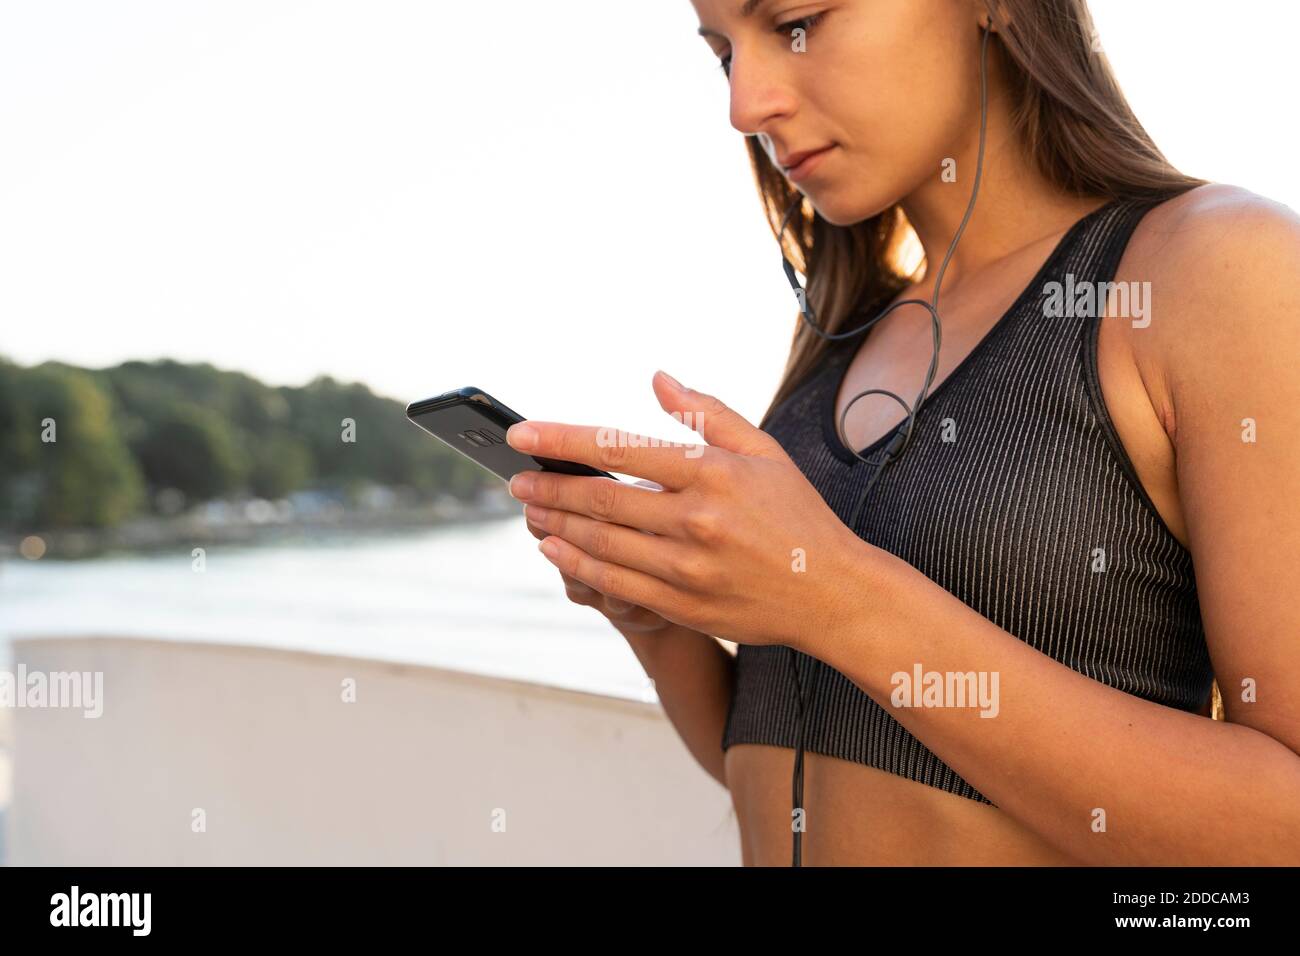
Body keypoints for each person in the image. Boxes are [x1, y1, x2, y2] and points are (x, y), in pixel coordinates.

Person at [508, 0, 1300, 865]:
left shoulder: (1218, 269)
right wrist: (659, 618)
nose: (745, 102)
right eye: (723, 53)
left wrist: (835, 595)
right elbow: (787, 764)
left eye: (797, 22)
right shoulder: (845, 335)